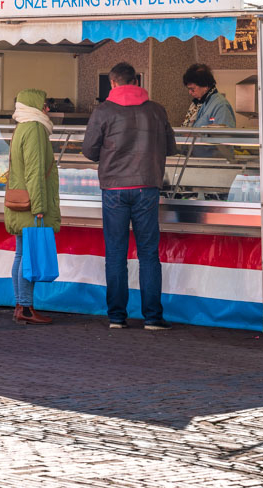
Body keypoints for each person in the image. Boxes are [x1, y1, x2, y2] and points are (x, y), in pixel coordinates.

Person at [82, 62, 177, 330]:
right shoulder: (156, 110)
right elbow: (170, 147)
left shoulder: (103, 111)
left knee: (115, 253)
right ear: (136, 81)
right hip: (147, 186)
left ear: (113, 83)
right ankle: (153, 317)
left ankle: (116, 317)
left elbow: (89, 151)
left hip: (114, 189)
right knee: (148, 253)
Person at [5, 88, 60, 325]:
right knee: (28, 256)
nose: (47, 109)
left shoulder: (21, 127)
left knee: (21, 254)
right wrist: (39, 207)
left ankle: (20, 305)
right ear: (34, 105)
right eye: (44, 104)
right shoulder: (35, 128)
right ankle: (26, 308)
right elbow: (35, 172)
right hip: (31, 205)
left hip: (19, 201)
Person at [181, 63, 236, 128]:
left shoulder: (221, 106)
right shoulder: (197, 103)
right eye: (189, 89)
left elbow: (224, 133)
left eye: (192, 89)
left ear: (205, 86)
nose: (190, 92)